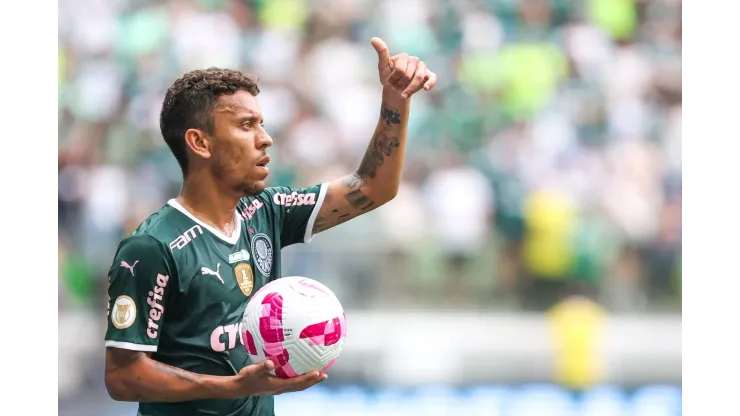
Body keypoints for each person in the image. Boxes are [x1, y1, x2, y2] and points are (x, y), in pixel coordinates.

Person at [103, 37, 437, 416]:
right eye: (247, 126)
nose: (266, 138)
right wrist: (233, 387)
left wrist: (396, 99)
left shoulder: (266, 211)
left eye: (262, 124)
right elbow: (122, 377)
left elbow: (374, 187)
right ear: (199, 142)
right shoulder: (152, 247)